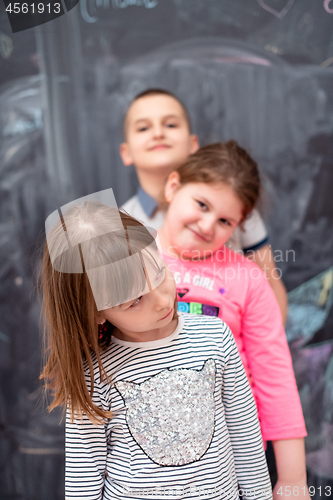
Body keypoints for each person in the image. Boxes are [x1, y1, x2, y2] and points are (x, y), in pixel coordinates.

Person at [41, 197, 273, 500]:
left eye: (160, 272)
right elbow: (84, 478)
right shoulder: (94, 375)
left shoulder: (216, 337)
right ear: (96, 312)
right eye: (135, 300)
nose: (163, 300)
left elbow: (246, 439)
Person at [158, 142, 310, 500]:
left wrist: (293, 480)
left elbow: (276, 378)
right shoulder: (130, 261)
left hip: (231, 458)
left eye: (225, 221)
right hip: (142, 457)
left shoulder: (249, 280)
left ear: (240, 226)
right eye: (202, 204)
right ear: (173, 186)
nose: (207, 225)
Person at [120, 88, 288, 323]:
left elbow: (269, 287)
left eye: (170, 125)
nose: (158, 133)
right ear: (126, 153)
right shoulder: (119, 228)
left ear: (193, 143)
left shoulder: (236, 207)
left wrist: (268, 348)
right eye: (143, 128)